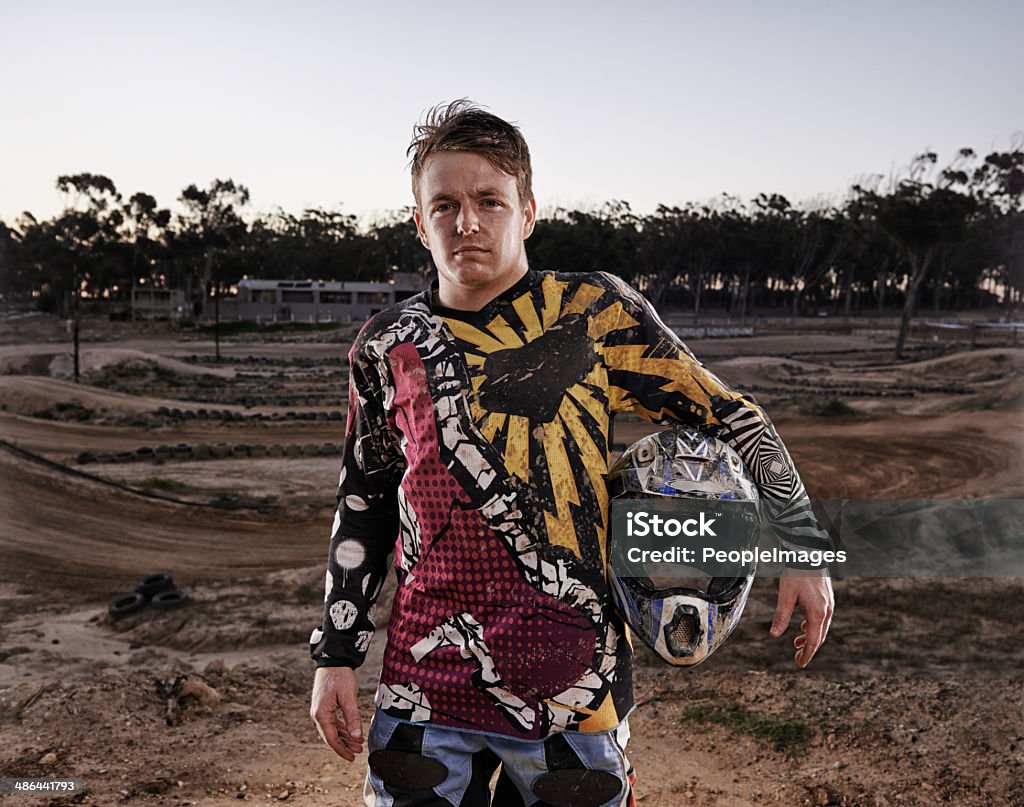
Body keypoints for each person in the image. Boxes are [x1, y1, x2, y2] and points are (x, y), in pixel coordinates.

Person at [310, 100, 834, 807]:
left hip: (573, 693)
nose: (467, 222)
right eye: (446, 205)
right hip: (424, 690)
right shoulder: (385, 344)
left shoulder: (597, 313)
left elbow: (730, 414)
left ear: (527, 211)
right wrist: (336, 654)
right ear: (419, 221)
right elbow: (363, 503)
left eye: (489, 200)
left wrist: (801, 542)